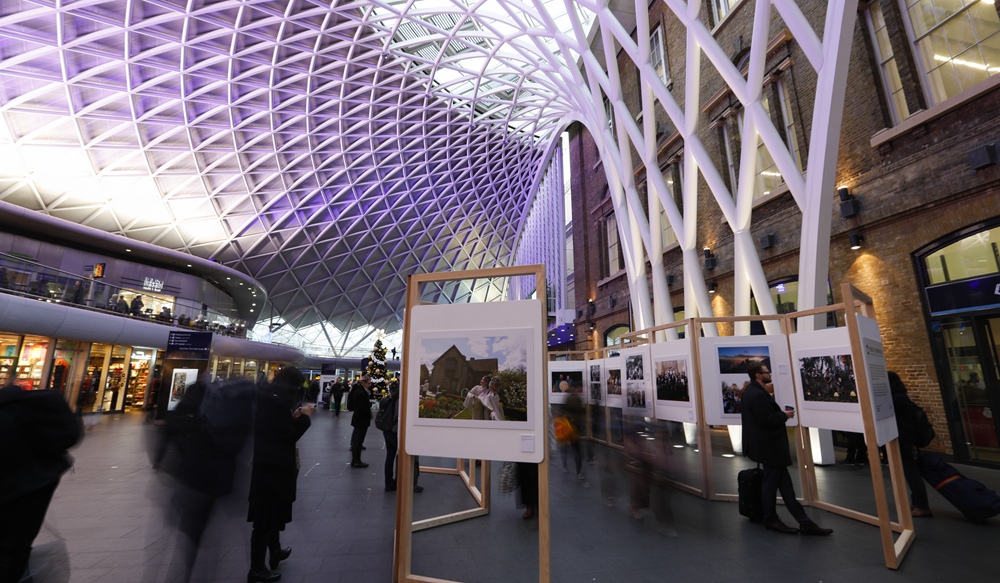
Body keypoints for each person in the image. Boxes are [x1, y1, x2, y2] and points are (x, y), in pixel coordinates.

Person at [0, 383, 82, 583]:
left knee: (7, 546)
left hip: (18, 488)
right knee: (18, 543)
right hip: (40, 484)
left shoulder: (8, 414)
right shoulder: (21, 407)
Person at [741, 364, 832, 536]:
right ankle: (771, 519)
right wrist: (784, 415)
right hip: (769, 448)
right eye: (767, 372)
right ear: (758, 375)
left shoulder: (751, 392)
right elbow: (766, 420)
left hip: (767, 447)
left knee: (786, 486)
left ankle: (804, 523)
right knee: (771, 485)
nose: (769, 374)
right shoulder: (757, 394)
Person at [247, 368, 313, 583]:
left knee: (270, 515)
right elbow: (288, 436)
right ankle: (257, 569)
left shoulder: (269, 399)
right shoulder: (276, 403)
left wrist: (293, 417)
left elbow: (276, 430)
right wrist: (304, 419)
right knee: (264, 520)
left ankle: (274, 550)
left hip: (267, 466)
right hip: (273, 469)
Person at [888, 371, 932, 517]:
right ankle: (917, 502)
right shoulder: (900, 396)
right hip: (905, 438)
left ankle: (922, 505)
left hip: (904, 439)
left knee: (911, 473)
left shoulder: (897, 398)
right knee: (910, 472)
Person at [380, 382, 422, 493]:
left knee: (390, 456)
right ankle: (409, 484)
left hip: (387, 431)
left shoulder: (390, 400)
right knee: (408, 456)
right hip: (396, 432)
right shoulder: (401, 401)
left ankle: (389, 483)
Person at [348, 375, 373, 468]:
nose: (370, 385)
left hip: (358, 418)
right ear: (364, 383)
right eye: (369, 383)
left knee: (357, 440)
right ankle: (356, 460)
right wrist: (369, 408)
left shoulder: (358, 390)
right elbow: (363, 406)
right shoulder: (362, 393)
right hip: (361, 419)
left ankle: (355, 460)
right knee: (359, 441)